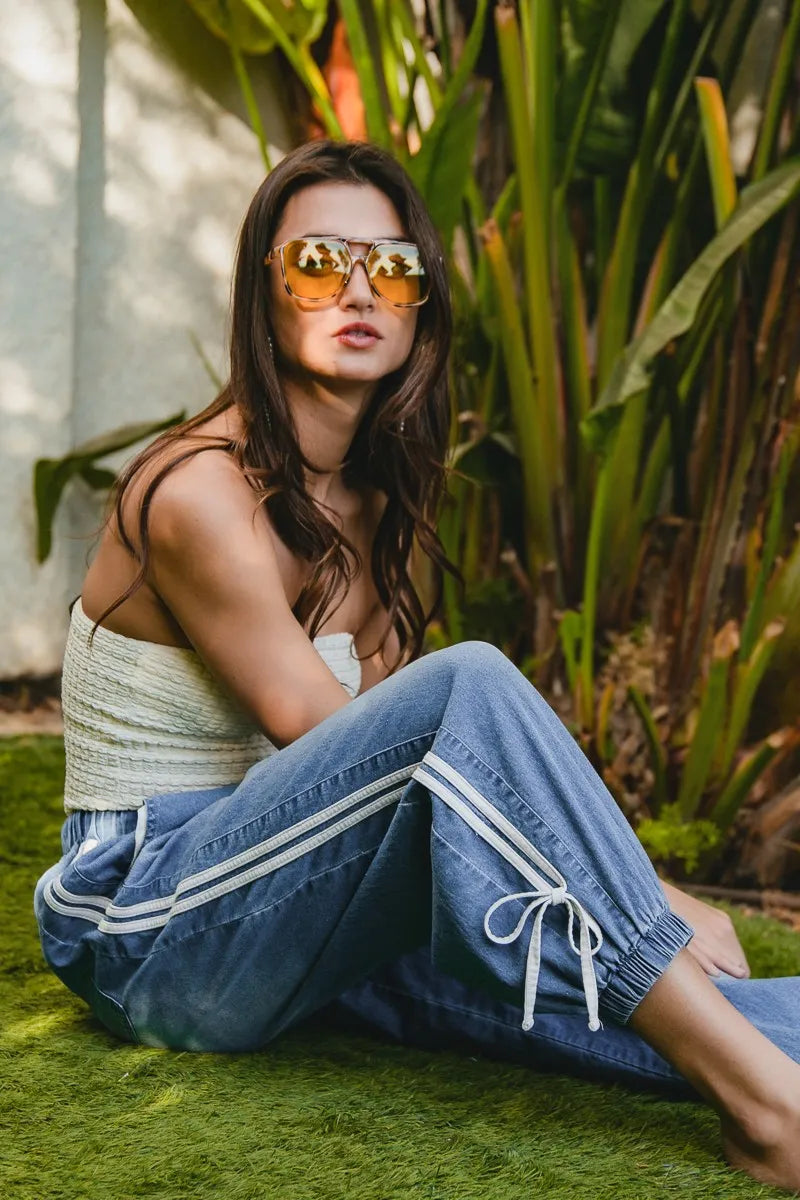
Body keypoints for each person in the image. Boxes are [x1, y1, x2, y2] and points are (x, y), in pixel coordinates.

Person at [34, 140, 800, 1192]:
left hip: (287, 900)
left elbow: (428, 780)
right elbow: (344, 728)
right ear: (262, 287)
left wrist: (641, 895)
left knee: (580, 976)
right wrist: (652, 903)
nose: (358, 290)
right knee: (469, 684)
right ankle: (764, 1110)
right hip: (146, 932)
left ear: (421, 308)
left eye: (391, 268)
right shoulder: (198, 493)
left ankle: (766, 1056)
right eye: (316, 262)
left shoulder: (372, 499)